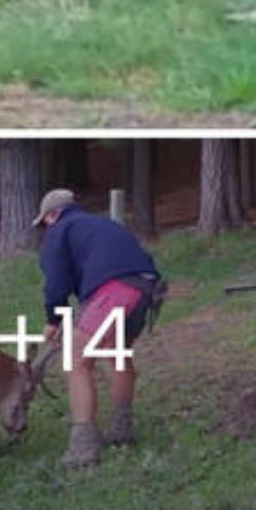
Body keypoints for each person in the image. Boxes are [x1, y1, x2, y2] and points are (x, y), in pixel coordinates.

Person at [34, 188, 165, 469]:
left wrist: (53, 320)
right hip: (146, 287)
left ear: (52, 215)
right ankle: (121, 428)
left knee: (76, 360)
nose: (45, 228)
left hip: (114, 288)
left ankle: (83, 447)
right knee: (117, 353)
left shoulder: (60, 229)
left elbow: (56, 280)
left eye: (43, 222)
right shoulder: (102, 224)